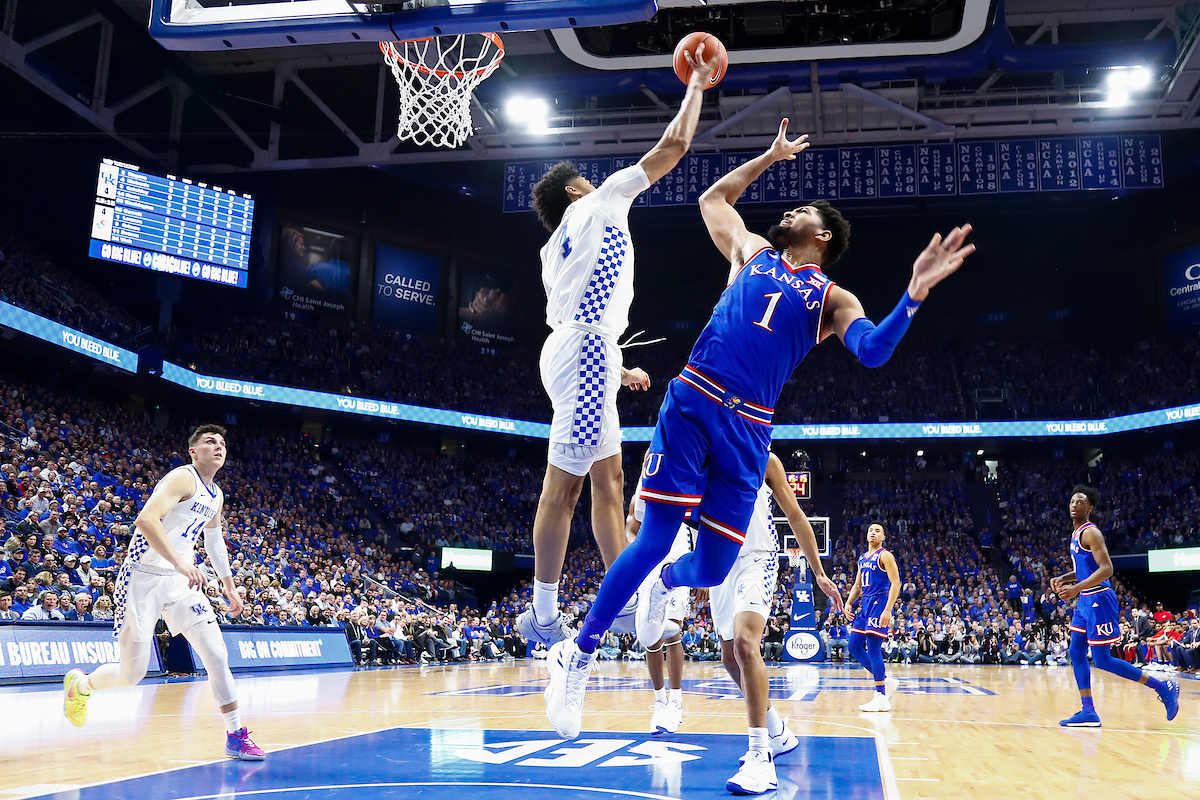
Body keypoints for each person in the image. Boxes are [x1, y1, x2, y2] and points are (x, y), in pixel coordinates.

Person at [544, 117, 973, 745]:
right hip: (695, 397)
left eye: (800, 209)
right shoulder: (753, 252)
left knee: (713, 568)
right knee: (657, 531)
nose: (787, 210)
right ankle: (577, 657)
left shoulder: (834, 299)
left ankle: (663, 581)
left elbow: (874, 352)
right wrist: (768, 158)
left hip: (749, 430)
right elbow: (711, 199)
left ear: (821, 235)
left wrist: (911, 297)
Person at [517, 42, 722, 647]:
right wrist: (697, 86)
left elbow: (582, 312)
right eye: (584, 179)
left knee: (610, 482)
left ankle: (625, 601)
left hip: (585, 353)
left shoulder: (550, 251)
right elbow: (674, 147)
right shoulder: (602, 201)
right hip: (584, 355)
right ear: (578, 194)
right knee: (567, 486)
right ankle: (545, 614)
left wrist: (615, 366)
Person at [61, 425, 265, 760]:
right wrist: (181, 563)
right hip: (142, 578)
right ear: (193, 452)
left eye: (223, 443)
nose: (218, 447)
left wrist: (229, 586)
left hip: (181, 583)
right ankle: (80, 687)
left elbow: (213, 541)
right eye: (210, 442)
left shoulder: (216, 494)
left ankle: (235, 735)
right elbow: (146, 520)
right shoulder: (182, 478)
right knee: (132, 673)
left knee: (216, 656)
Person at [710, 453, 841, 794]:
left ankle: (760, 757)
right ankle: (777, 733)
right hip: (716, 564)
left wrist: (818, 572)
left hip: (757, 557)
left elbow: (796, 516)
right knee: (728, 657)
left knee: (744, 644)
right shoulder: (698, 449)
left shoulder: (763, 457)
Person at [1052, 485, 1179, 727]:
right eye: (1072, 501)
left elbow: (1107, 569)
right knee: (1076, 652)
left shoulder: (1091, 533)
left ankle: (1164, 687)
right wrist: (1065, 578)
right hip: (1085, 601)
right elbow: (1084, 569)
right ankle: (1088, 711)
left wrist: (1076, 588)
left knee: (1102, 660)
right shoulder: (1076, 532)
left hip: (1099, 598)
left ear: (1090, 508)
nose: (1074, 505)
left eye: (1080, 502)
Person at [625, 481, 691, 736]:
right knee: (649, 637)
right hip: (650, 568)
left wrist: (702, 572)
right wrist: (639, 553)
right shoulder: (640, 493)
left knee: (672, 631)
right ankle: (660, 701)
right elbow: (629, 530)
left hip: (678, 564)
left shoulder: (687, 485)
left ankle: (676, 701)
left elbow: (702, 531)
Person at [844, 523, 901, 711]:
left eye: (877, 531)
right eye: (870, 530)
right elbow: (857, 585)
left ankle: (881, 696)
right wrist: (848, 603)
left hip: (879, 602)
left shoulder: (885, 555)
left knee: (874, 648)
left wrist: (887, 609)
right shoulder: (862, 558)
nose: (873, 533)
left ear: (883, 537)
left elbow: (896, 583)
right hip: (865, 603)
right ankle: (884, 681)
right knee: (853, 646)